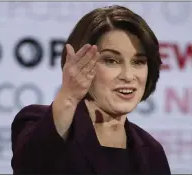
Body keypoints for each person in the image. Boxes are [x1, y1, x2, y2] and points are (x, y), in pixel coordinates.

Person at [11, 5, 171, 175]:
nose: (128, 76)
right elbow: (31, 168)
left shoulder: (152, 151)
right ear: (80, 63)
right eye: (111, 60)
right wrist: (69, 97)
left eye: (138, 62)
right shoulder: (35, 121)